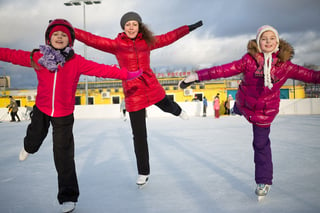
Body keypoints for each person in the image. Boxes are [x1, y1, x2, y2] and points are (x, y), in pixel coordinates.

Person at [0, 19, 141, 213]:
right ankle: (28, 147)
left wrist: (126, 74)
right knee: (34, 139)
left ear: (70, 40)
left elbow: (102, 69)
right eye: (56, 34)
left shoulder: (76, 61)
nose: (59, 37)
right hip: (41, 109)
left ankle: (68, 197)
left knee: (64, 155)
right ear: (49, 39)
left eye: (64, 35)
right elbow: (11, 55)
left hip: (64, 114)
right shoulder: (38, 57)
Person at [179, 25, 320, 199]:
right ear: (258, 42)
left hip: (264, 112)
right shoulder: (248, 60)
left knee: (260, 145)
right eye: (264, 38)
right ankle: (237, 109)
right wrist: (195, 76)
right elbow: (222, 70)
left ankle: (264, 181)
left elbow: (312, 76)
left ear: (277, 41)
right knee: (238, 107)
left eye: (271, 38)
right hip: (244, 103)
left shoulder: (285, 66)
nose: (268, 41)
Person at [74, 11, 203, 186]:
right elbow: (92, 39)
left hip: (151, 85)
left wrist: (187, 28)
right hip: (133, 91)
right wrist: (69, 29)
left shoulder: (147, 42)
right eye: (128, 25)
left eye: (134, 24)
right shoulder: (116, 44)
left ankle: (178, 110)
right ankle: (143, 172)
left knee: (167, 106)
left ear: (139, 26)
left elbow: (168, 38)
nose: (131, 27)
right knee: (139, 135)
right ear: (123, 28)